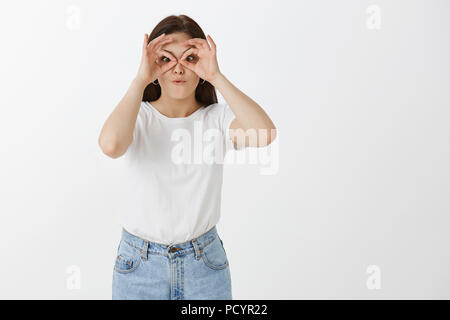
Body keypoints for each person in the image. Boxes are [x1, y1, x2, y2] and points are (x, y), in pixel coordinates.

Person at [98, 14, 276, 300]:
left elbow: (264, 134)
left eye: (190, 59)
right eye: (166, 59)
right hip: (139, 265)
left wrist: (216, 76)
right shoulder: (137, 115)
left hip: (203, 264)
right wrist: (140, 79)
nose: (178, 69)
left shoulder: (216, 119)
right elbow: (111, 145)